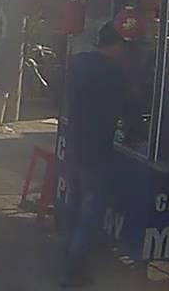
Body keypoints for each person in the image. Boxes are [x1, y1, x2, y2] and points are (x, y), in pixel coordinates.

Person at [59, 20, 131, 287]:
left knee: (75, 204)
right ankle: (73, 270)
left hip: (75, 143)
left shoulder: (79, 63)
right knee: (91, 210)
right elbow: (127, 108)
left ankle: (67, 257)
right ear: (117, 45)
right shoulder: (112, 72)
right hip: (96, 148)